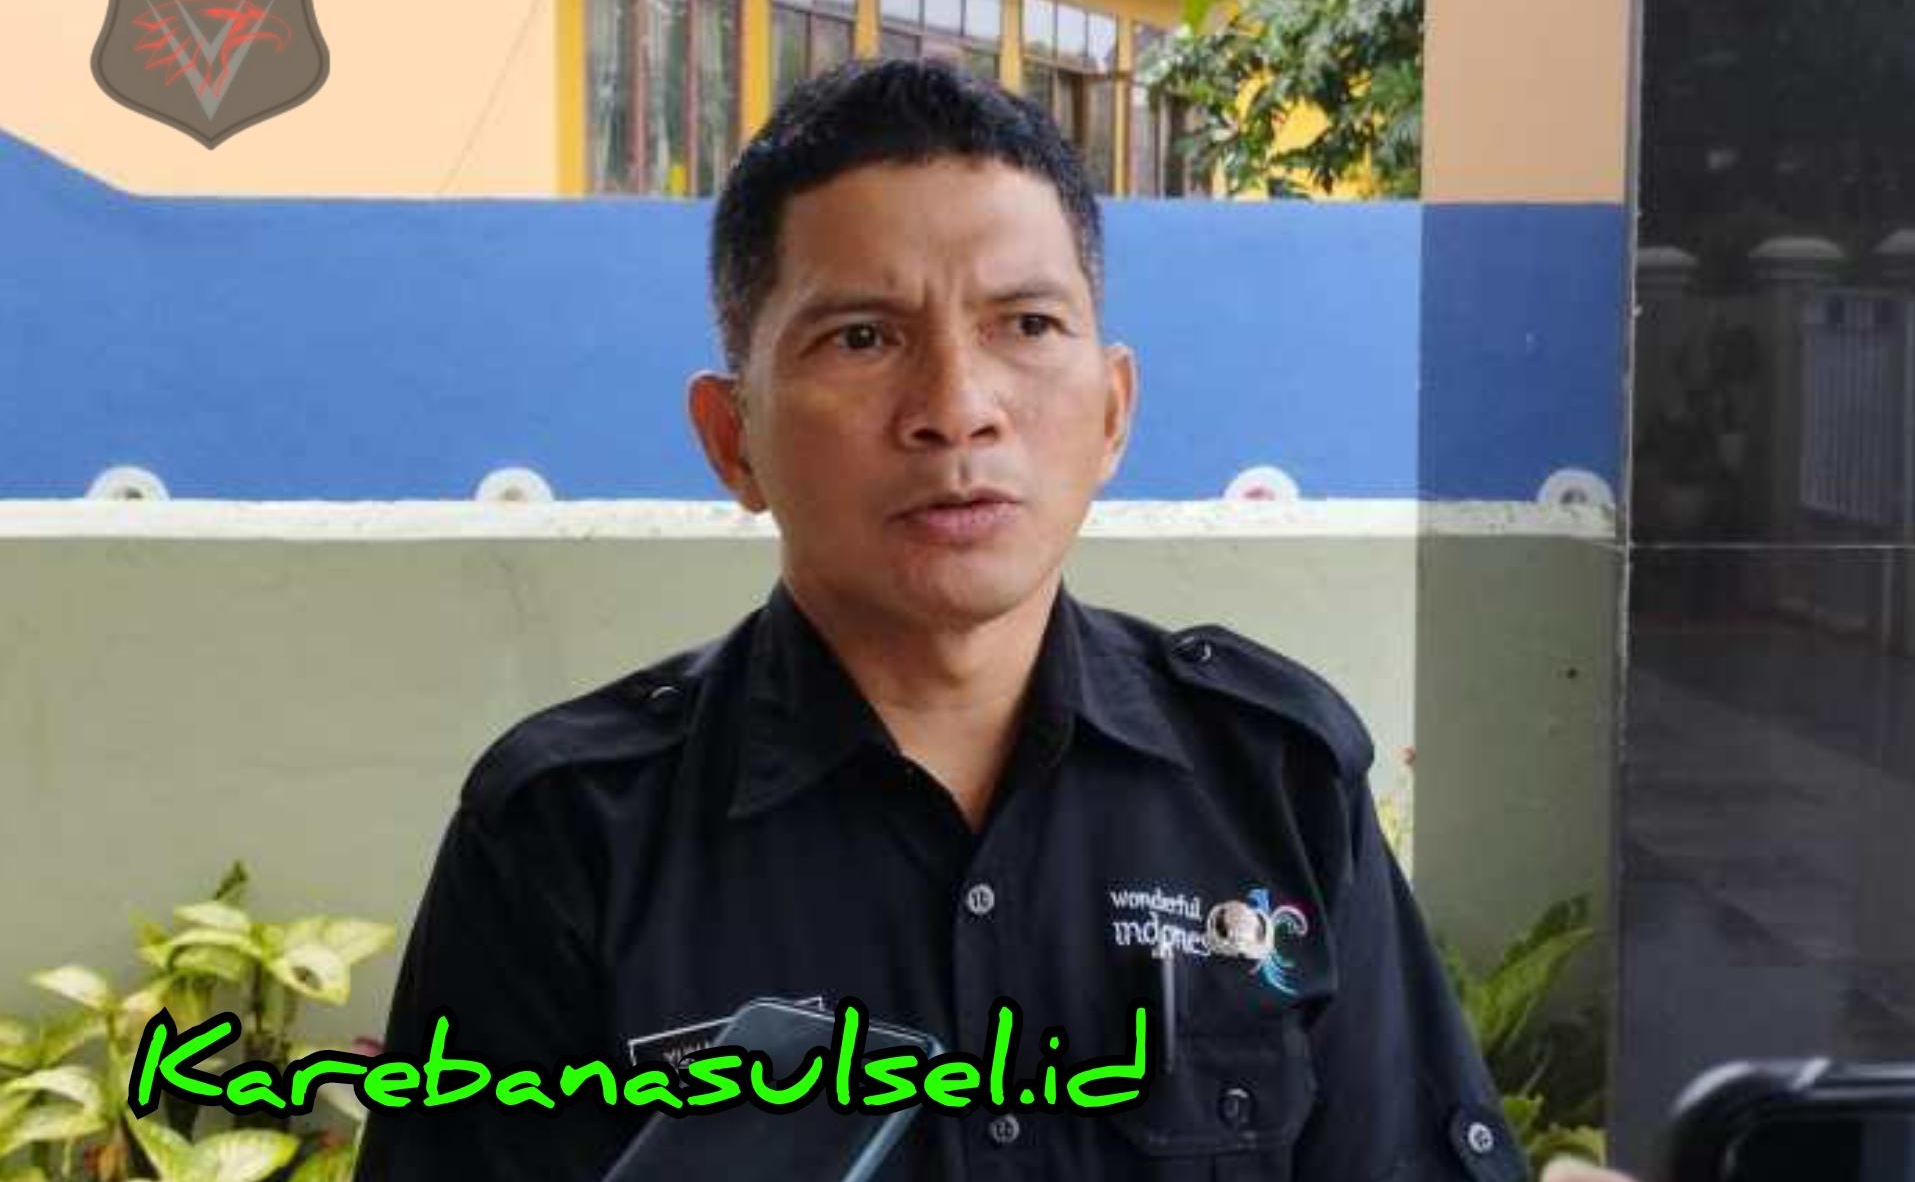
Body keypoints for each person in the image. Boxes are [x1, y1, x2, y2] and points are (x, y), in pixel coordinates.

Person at [352, 58, 1527, 1181]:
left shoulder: (1274, 780)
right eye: (861, 337)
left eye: (1026, 324)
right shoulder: (567, 838)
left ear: (1112, 412)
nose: (957, 408)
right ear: (731, 437)